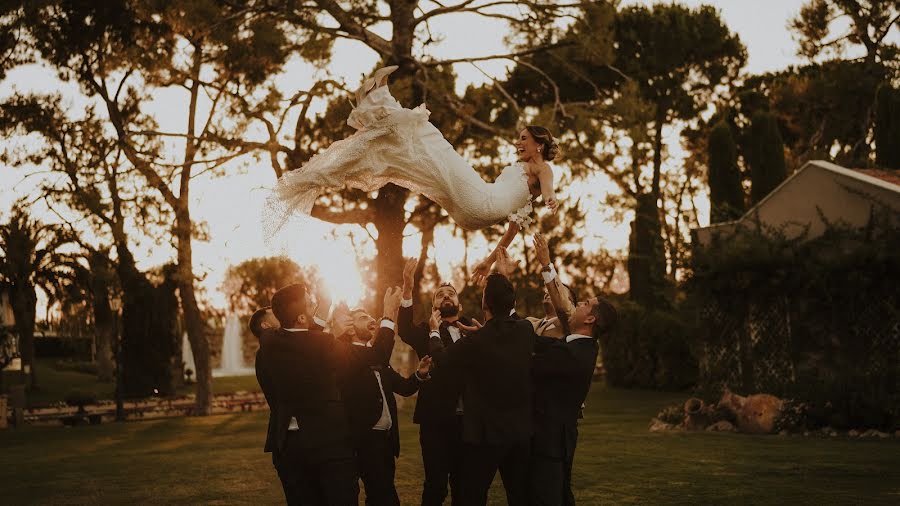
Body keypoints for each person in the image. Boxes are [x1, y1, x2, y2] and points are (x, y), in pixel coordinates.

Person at [266, 66, 560, 281]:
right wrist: (488, 262)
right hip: (471, 215)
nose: (518, 142)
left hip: (481, 202)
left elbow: (547, 186)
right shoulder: (526, 185)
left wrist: (551, 199)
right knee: (416, 160)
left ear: (539, 144)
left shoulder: (541, 169)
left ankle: (379, 97)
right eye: (519, 137)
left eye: (524, 138)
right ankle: (377, 101)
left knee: (432, 142)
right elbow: (512, 231)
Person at [255, 282, 400, 505]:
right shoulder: (323, 344)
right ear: (302, 318)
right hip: (329, 445)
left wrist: (323, 310)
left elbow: (300, 339)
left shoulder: (267, 348)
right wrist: (389, 314)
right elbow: (377, 354)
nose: (314, 305)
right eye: (309, 302)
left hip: (287, 447)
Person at [427, 273, 536, 506]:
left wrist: (434, 332)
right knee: (520, 495)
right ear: (513, 303)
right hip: (520, 433)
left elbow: (442, 359)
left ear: (485, 304)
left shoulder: (477, 341)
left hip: (486, 435)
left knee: (473, 495)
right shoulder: (526, 330)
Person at [529, 241, 618, 506]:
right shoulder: (576, 347)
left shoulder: (576, 354)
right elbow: (543, 344)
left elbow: (530, 365)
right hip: (554, 441)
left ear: (590, 319)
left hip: (549, 443)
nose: (577, 304)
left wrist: (546, 264)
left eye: (585, 304)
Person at [398, 257, 474, 506]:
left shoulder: (471, 331)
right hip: (435, 422)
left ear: (459, 304)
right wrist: (408, 288)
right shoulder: (423, 332)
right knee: (435, 485)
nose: (446, 297)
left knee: (465, 485)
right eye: (440, 295)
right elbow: (403, 329)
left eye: (450, 294)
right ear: (434, 307)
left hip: (469, 420)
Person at [341, 307, 434, 506]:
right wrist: (389, 314)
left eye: (370, 316)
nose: (371, 319)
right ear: (350, 328)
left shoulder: (379, 360)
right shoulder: (346, 355)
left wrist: (420, 374)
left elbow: (405, 387)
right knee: (384, 498)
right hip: (363, 441)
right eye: (363, 317)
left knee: (380, 495)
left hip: (386, 442)